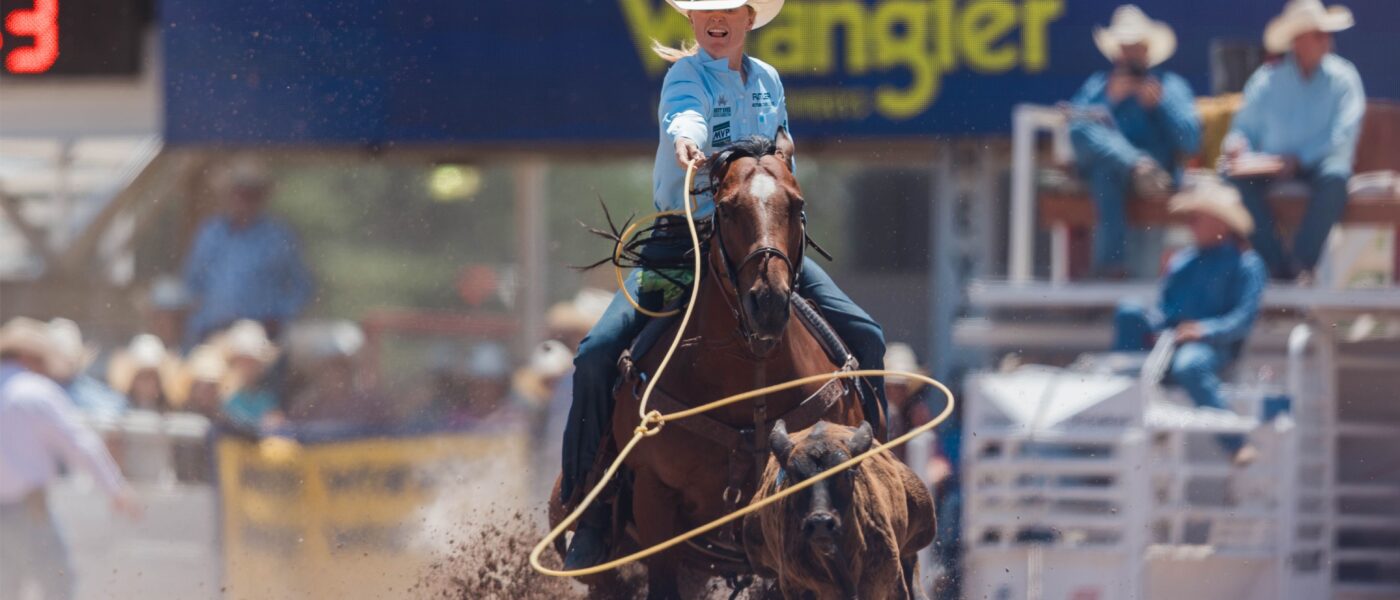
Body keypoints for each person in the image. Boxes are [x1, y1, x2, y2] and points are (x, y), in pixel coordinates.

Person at [560, 0, 888, 568]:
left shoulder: (768, 81)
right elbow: (683, 119)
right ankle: (589, 510)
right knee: (595, 354)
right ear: (692, 20)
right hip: (684, 243)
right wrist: (687, 144)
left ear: (747, 18)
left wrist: (781, 162)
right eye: (704, 8)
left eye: (727, 8)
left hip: (763, 240)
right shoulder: (684, 78)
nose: (716, 17)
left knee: (869, 337)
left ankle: (880, 492)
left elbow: (784, 154)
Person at [1113, 178, 1267, 461]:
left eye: (1198, 217)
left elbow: (1243, 319)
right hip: (1172, 343)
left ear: (1221, 223)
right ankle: (1125, 417)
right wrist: (1158, 327)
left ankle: (1235, 443)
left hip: (1213, 349)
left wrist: (1203, 330)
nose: (1191, 223)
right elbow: (1164, 309)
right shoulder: (1183, 261)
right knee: (1129, 312)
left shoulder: (1247, 265)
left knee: (1190, 363)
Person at [1223, 0, 1365, 282]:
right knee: (1232, 180)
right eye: (1320, 34)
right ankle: (1277, 266)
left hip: (1318, 164)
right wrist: (1236, 147)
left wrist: (1300, 158)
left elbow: (1344, 136)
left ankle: (1300, 264)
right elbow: (1242, 129)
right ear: (1298, 41)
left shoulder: (1343, 77)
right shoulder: (1266, 79)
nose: (1329, 40)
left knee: (1336, 178)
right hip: (1271, 165)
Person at [0, 318, 141, 600]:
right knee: (58, 583)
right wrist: (115, 488)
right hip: (28, 509)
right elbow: (81, 445)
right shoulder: (36, 392)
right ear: (29, 357)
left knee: (7, 585)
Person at [1070, 5, 1201, 278]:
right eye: (1124, 47)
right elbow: (1076, 131)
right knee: (1092, 142)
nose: (1129, 54)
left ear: (1147, 50)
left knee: (1144, 275)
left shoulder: (1169, 86)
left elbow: (1191, 142)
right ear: (1116, 51)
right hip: (1119, 177)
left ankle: (1111, 271)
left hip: (1156, 182)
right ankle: (1135, 163)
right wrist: (1109, 101)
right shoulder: (1099, 86)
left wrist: (1160, 105)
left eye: (1135, 47)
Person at [182, 158, 314, 349]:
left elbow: (302, 287)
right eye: (238, 192)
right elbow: (192, 283)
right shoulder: (210, 234)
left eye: (251, 194)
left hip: (261, 337)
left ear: (262, 197)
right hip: (212, 333)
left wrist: (279, 316)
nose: (243, 200)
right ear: (227, 195)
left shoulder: (278, 236)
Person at [46, 318, 128, 418]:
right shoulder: (38, 386)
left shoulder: (87, 389)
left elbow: (117, 407)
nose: (67, 362)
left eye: (69, 357)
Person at [214, 320, 285, 431]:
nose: (247, 367)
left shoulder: (266, 398)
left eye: (252, 362)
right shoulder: (223, 395)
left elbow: (275, 423)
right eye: (243, 361)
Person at [107, 334, 180, 412]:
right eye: (143, 378)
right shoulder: (116, 411)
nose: (149, 386)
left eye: (154, 378)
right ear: (131, 380)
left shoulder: (174, 415)